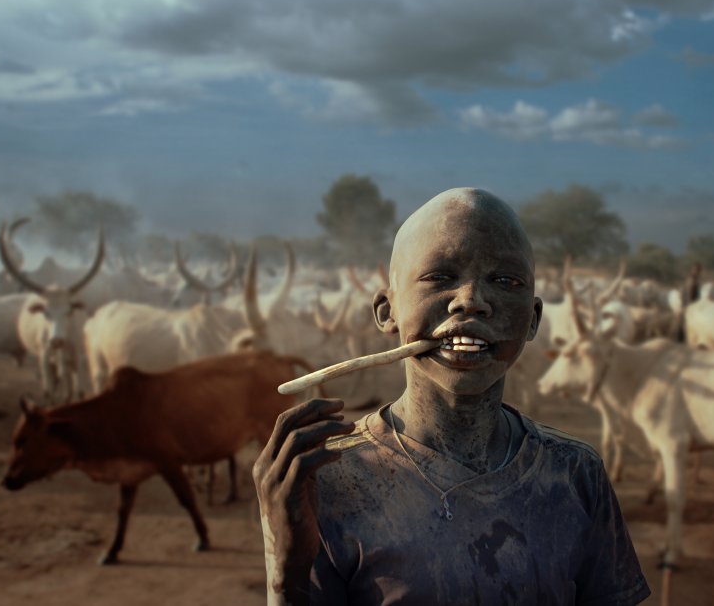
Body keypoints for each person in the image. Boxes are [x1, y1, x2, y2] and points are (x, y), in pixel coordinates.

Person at [254, 188, 650, 605]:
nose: (471, 301)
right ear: (388, 312)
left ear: (532, 320)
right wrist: (286, 574)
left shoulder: (574, 473)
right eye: (439, 277)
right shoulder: (328, 477)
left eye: (505, 281)